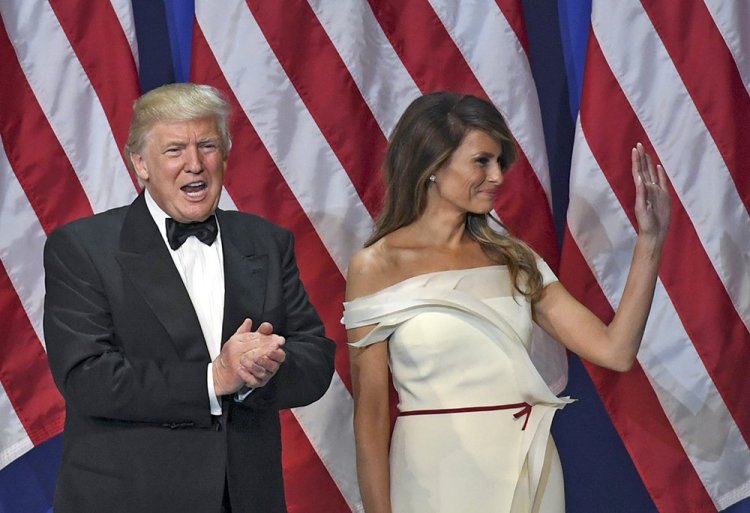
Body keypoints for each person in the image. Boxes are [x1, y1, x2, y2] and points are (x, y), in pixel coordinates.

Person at [343, 92, 671, 513]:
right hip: (434, 477)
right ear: (432, 164)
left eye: (500, 162)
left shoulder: (514, 259)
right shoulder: (377, 266)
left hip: (528, 470)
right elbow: (370, 417)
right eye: (482, 161)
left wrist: (651, 239)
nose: (497, 176)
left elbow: (616, 350)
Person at [43, 83, 336, 513]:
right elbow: (87, 377)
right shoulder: (83, 248)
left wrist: (263, 370)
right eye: (175, 150)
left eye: (207, 145)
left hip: (247, 497)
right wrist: (214, 379)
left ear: (226, 154)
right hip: (130, 498)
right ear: (140, 163)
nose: (194, 164)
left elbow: (315, 357)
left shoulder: (266, 242)